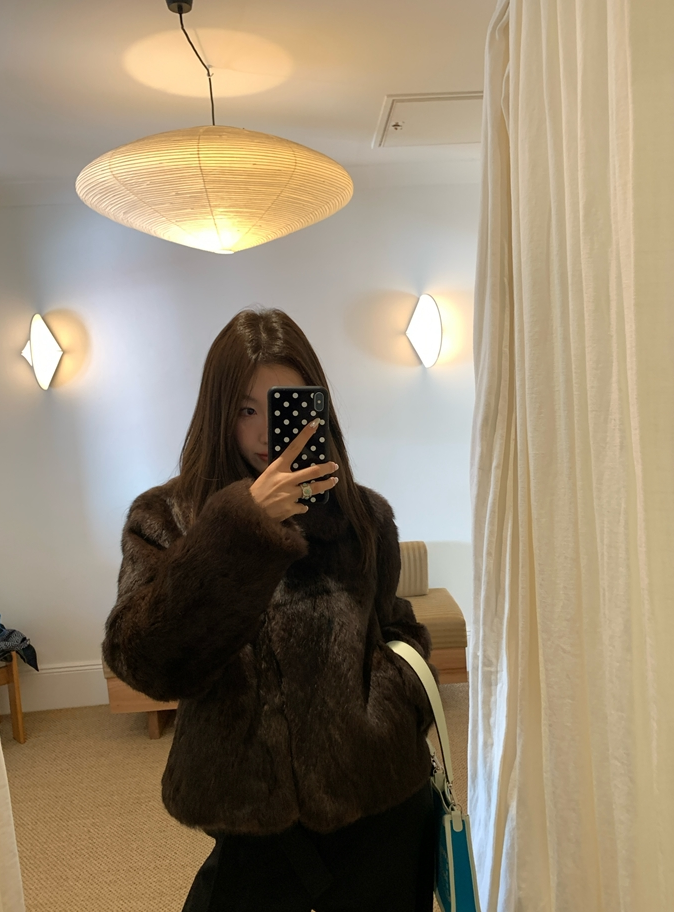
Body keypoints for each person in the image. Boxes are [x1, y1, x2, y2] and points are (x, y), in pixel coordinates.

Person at [102, 307, 437, 912]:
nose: (263, 434)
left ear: (315, 411)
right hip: (252, 821)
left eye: (280, 408)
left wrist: (389, 710)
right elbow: (146, 661)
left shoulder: (363, 516)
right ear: (217, 414)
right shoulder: (167, 519)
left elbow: (395, 628)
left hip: (378, 800)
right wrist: (242, 531)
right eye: (244, 410)